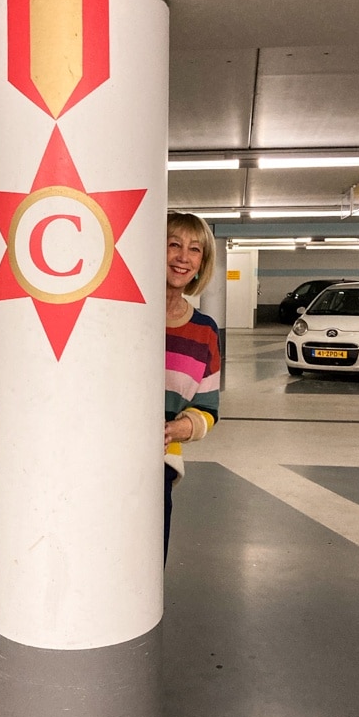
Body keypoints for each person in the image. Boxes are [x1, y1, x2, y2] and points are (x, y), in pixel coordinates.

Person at [164, 211, 221, 565]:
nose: (183, 257)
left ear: (202, 264)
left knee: (146, 573)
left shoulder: (205, 331)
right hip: (97, 462)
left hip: (159, 465)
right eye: (173, 244)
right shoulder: (121, 314)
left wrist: (179, 428)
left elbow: (208, 408)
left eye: (194, 249)